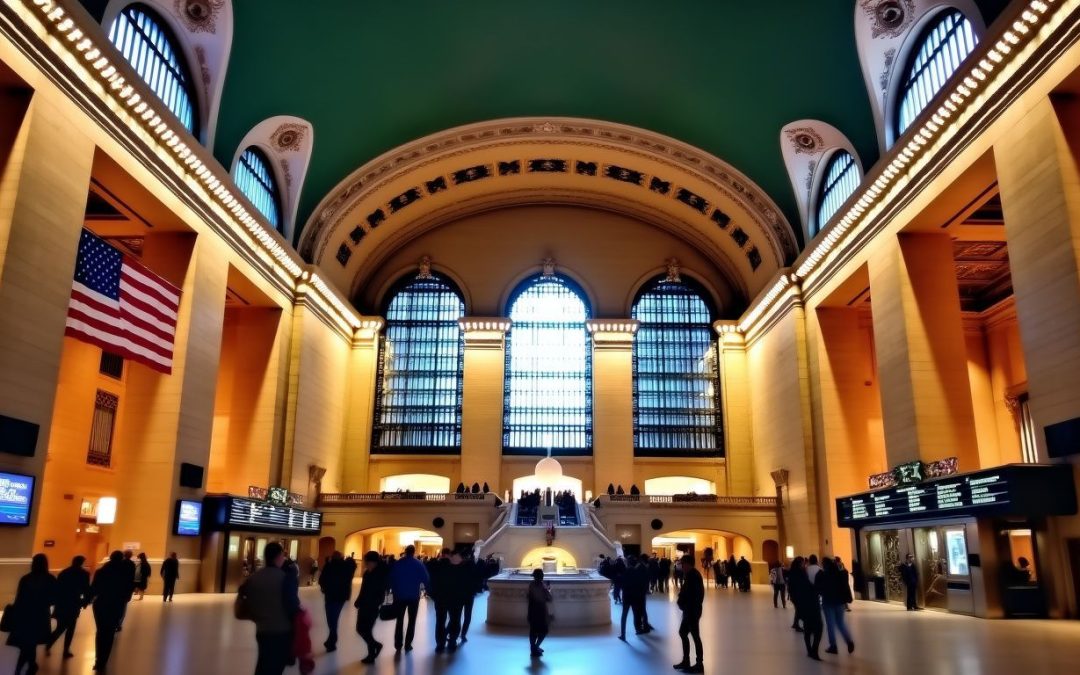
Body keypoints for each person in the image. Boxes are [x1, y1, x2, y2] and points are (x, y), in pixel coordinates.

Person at [236, 542, 301, 675]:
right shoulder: (285, 578)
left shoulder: (254, 577)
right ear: (279, 557)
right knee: (276, 666)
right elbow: (293, 604)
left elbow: (247, 603)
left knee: (264, 663)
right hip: (282, 631)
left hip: (262, 630)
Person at [6, 553, 55, 675]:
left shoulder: (25, 579)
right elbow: (54, 598)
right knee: (31, 644)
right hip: (40, 616)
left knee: (26, 644)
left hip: (24, 615)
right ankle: (27, 667)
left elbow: (19, 599)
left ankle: (25, 668)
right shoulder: (50, 579)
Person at [89, 551, 134, 672]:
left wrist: (85, 601)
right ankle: (103, 661)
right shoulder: (125, 574)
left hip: (101, 605)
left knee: (100, 632)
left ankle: (98, 660)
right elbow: (128, 590)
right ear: (122, 559)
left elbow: (94, 589)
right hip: (116, 605)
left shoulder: (101, 571)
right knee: (109, 634)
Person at [388, 544, 430, 652]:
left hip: (399, 596)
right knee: (412, 621)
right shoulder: (418, 564)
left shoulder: (398, 563)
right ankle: (408, 644)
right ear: (414, 552)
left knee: (399, 620)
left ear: (405, 551)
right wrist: (427, 589)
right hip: (413, 596)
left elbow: (391, 578)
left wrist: (393, 590)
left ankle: (398, 644)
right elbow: (425, 579)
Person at [48, 555, 90, 659]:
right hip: (74, 603)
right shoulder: (84, 574)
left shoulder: (64, 573)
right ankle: (66, 649)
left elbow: (58, 589)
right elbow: (86, 589)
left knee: (60, 627)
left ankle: (49, 643)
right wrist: (85, 602)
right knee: (70, 627)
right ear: (82, 563)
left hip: (62, 603)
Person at [672, 555, 705, 673]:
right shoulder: (690, 575)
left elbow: (696, 596)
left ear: (688, 564)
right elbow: (685, 592)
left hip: (692, 611)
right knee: (683, 633)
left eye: (683, 564)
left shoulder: (694, 575)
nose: (681, 566)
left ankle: (699, 664)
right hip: (689, 610)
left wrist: (686, 605)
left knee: (695, 636)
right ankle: (686, 661)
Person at [354, 551, 388, 664]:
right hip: (364, 605)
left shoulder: (381, 574)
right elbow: (363, 589)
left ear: (372, 562)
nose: (364, 563)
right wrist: (359, 600)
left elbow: (380, 592)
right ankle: (375, 646)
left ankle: (371, 654)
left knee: (366, 629)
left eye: (366, 561)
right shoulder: (367, 573)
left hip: (372, 606)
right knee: (360, 628)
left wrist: (374, 603)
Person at [816, 557, 855, 655]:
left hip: (828, 601)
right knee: (840, 623)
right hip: (840, 601)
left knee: (830, 624)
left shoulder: (823, 574)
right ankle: (849, 640)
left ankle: (833, 646)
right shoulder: (839, 573)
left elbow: (819, 587)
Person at [318, 551, 355, 652]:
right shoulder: (346, 567)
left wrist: (324, 588)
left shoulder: (329, 566)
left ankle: (332, 639)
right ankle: (332, 639)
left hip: (330, 595)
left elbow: (321, 579)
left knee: (331, 617)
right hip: (341, 596)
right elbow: (352, 566)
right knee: (334, 617)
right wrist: (349, 558)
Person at [788, 556, 823, 660]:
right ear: (800, 564)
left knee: (808, 628)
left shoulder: (796, 574)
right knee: (818, 628)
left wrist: (797, 604)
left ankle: (810, 650)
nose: (804, 565)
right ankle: (814, 650)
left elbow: (792, 591)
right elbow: (806, 587)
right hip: (810, 603)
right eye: (803, 563)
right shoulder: (801, 574)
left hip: (803, 604)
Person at [442, 550, 473, 652]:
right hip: (461, 597)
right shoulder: (466, 567)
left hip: (455, 597)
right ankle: (454, 638)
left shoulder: (450, 568)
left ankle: (450, 638)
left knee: (455, 619)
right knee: (457, 619)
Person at [526, 569, 552, 657]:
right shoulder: (542, 586)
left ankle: (534, 648)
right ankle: (535, 648)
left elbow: (529, 597)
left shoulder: (531, 585)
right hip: (541, 610)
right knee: (543, 631)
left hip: (532, 609)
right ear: (541, 577)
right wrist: (548, 589)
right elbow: (549, 598)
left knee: (533, 631)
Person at [116, 550, 136, 631]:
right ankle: (119, 624)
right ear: (131, 556)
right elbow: (132, 578)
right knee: (123, 607)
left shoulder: (119, 563)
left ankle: (114, 622)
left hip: (118, 588)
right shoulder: (132, 564)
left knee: (116, 606)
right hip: (126, 589)